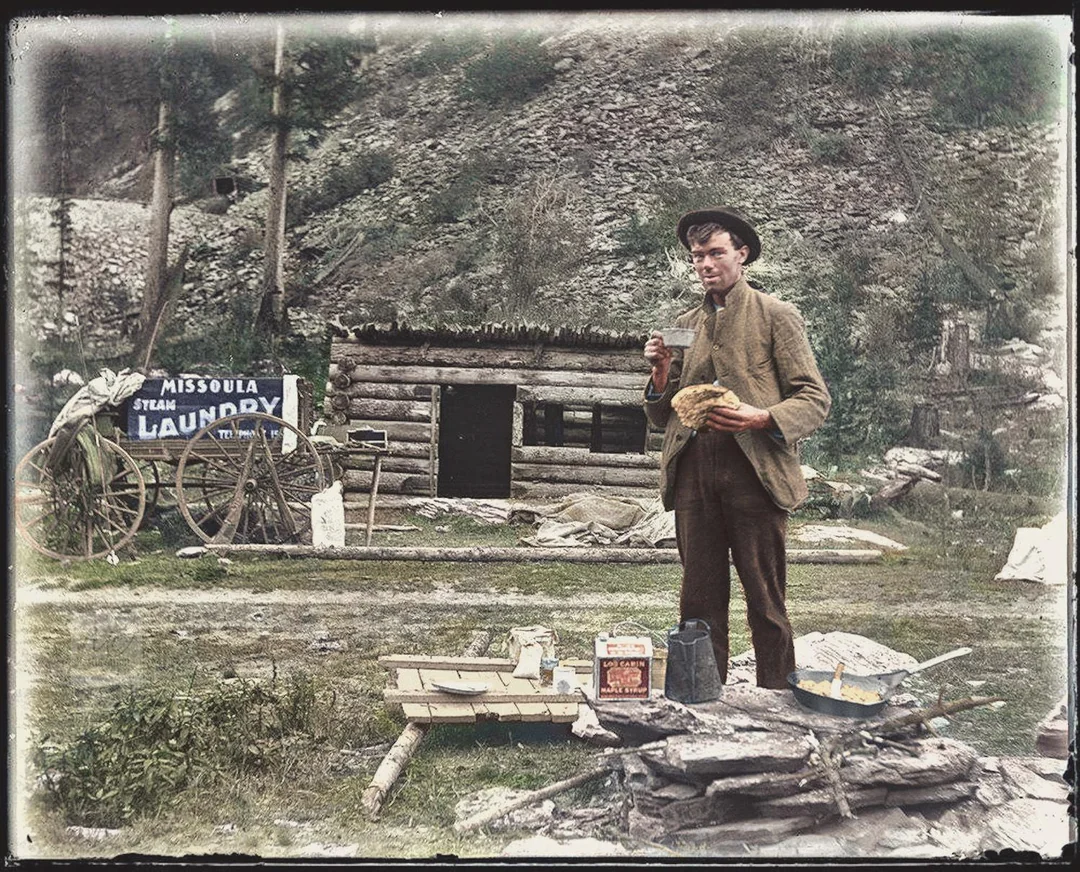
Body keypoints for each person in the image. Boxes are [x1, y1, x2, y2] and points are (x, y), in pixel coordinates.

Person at [643, 206, 831, 689]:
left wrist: (763, 417)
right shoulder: (685, 324)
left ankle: (778, 701)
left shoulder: (776, 316)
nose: (705, 264)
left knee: (765, 599)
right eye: (696, 256)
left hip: (755, 473)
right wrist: (661, 375)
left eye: (715, 253)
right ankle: (702, 701)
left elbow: (814, 398)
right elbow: (664, 414)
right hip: (694, 478)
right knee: (698, 601)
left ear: (741, 254)